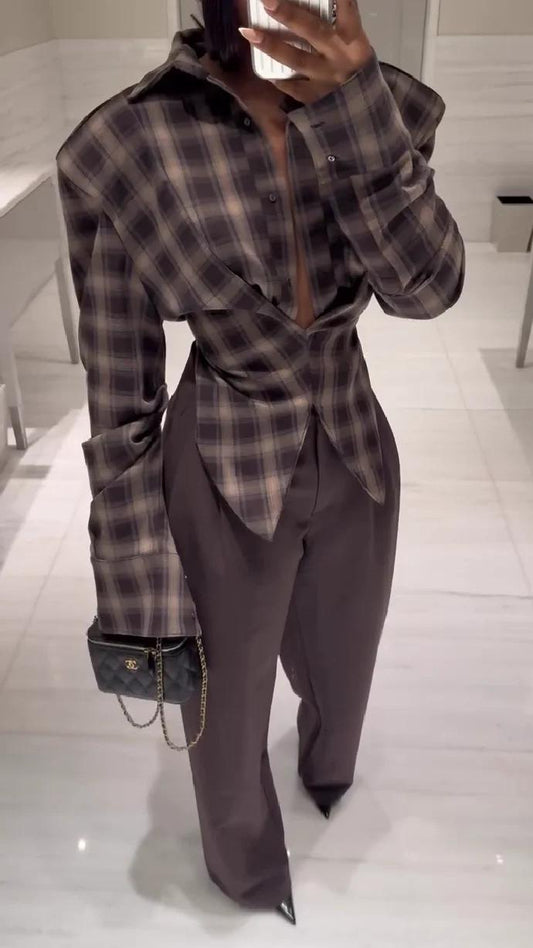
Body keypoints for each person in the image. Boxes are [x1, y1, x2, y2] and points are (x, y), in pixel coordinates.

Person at [55, 0, 465, 926]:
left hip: (354, 437)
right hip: (223, 451)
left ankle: (329, 774)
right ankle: (243, 869)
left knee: (347, 652)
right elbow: (118, 384)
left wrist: (358, 117)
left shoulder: (387, 108)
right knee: (226, 700)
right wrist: (134, 570)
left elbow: (429, 291)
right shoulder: (124, 145)